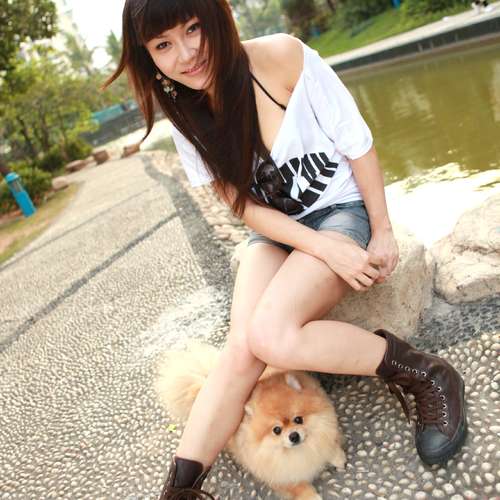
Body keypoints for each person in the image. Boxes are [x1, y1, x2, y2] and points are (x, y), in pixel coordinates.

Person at [106, 1, 468, 498]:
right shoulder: (185, 116)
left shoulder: (280, 56)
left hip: (339, 211)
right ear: (148, 57)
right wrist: (317, 247)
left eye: (193, 29)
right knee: (241, 348)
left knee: (271, 336)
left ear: (218, 18)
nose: (186, 54)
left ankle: (428, 375)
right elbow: (244, 206)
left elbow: (358, 143)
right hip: (277, 232)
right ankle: (181, 490)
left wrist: (381, 230)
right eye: (163, 44)